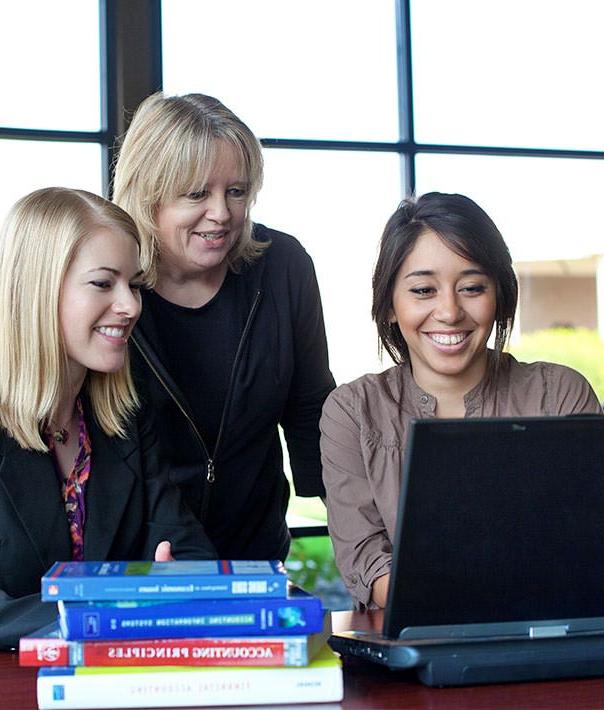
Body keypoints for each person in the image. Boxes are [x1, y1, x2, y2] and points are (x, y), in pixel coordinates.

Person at [320, 192, 602, 609]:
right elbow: (365, 558)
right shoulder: (352, 412)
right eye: (423, 290)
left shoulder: (559, 394)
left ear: (499, 297)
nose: (449, 312)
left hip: (549, 629)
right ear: (390, 306)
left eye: (471, 287)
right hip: (418, 638)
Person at [112, 92, 335, 562]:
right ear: (147, 194)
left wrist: (360, 529)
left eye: (236, 191)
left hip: (255, 552)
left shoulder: (283, 266)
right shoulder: (111, 289)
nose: (222, 213)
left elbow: (309, 404)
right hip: (142, 560)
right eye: (197, 194)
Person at [0, 187, 216, 648]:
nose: (131, 306)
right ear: (38, 289)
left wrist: (173, 583)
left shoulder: (125, 422)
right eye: (103, 283)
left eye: (134, 284)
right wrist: (124, 599)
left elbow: (188, 550)